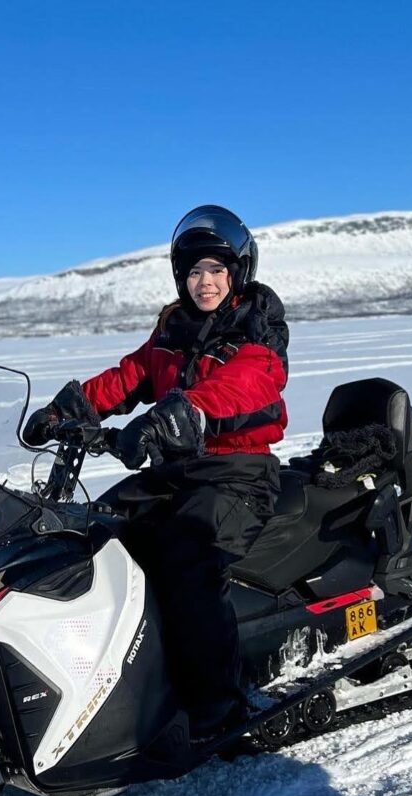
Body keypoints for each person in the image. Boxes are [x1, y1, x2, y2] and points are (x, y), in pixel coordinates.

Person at [23, 205, 288, 737]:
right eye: (194, 272)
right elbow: (130, 376)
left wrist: (181, 413)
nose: (205, 282)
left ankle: (219, 706)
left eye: (216, 270)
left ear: (237, 272)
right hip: (178, 469)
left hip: (238, 473)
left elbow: (248, 383)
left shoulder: (256, 327)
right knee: (93, 530)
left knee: (187, 559)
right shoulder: (174, 328)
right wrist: (69, 411)